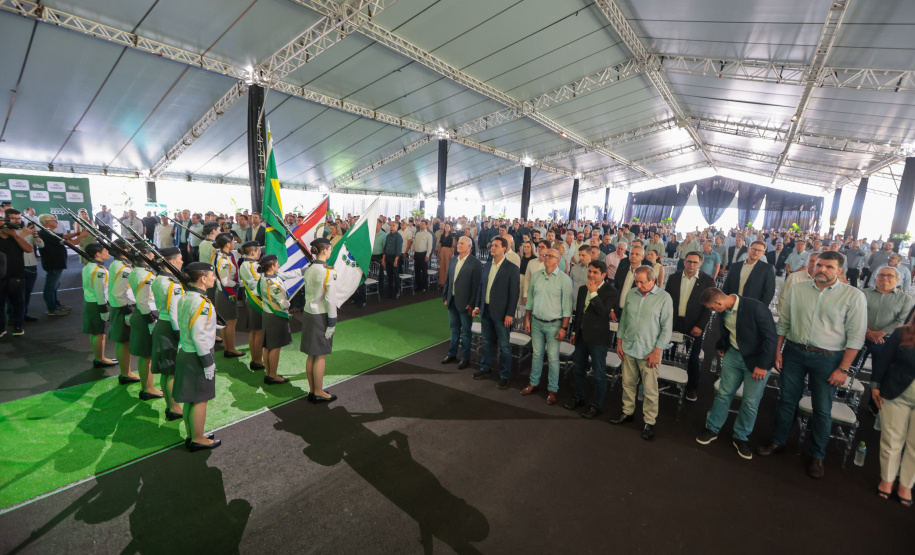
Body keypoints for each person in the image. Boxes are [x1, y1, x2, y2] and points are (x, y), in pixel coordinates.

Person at [757, 251, 867, 478]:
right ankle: (778, 441)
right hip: (795, 353)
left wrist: (843, 368)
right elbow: (784, 323)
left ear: (839, 270)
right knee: (787, 400)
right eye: (819, 265)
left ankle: (817, 455)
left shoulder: (853, 296)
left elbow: (856, 337)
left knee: (822, 408)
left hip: (828, 358)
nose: (822, 269)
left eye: (828, 267)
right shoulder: (798, 289)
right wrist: (778, 351)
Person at [696, 288, 777, 459]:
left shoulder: (756, 308)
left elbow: (771, 338)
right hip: (733, 355)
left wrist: (763, 365)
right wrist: (722, 345)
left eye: (712, 308)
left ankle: (741, 437)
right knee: (723, 393)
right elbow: (728, 331)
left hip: (756, 361)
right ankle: (712, 428)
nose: (712, 311)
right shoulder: (723, 310)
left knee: (750, 401)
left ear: (719, 302)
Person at [611, 266, 673, 440]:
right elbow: (624, 320)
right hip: (629, 347)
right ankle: (627, 412)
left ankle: (649, 422)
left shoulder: (664, 298)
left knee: (650, 390)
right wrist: (620, 341)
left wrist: (657, 351)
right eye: (636, 281)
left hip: (649, 351)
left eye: (642, 282)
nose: (638, 285)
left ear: (653, 280)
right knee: (628, 383)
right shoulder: (631, 294)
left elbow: (667, 328)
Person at [174, 262, 221, 451]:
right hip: (197, 355)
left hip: (186, 351)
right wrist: (207, 362)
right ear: (203, 278)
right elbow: (199, 335)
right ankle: (198, 438)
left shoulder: (188, 297)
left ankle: (193, 434)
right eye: (212, 275)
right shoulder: (201, 302)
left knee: (191, 399)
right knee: (200, 399)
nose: (214, 278)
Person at [564, 260, 619, 418]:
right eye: (590, 271)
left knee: (599, 374)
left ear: (603, 275)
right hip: (581, 336)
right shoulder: (582, 289)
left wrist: (594, 293)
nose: (591, 275)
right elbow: (579, 314)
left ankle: (596, 405)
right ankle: (579, 397)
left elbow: (603, 313)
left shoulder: (611, 291)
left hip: (598, 340)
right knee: (579, 369)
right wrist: (574, 333)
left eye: (595, 272)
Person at [871, 316, 915, 506]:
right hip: (896, 394)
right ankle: (887, 479)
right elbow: (883, 359)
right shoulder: (901, 332)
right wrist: (875, 385)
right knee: (891, 439)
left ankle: (906, 484)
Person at [522, 248, 574, 405]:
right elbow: (530, 299)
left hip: (554, 325)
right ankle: (534, 383)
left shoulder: (565, 280)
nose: (546, 257)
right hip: (536, 322)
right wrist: (527, 318)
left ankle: (553, 389)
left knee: (552, 358)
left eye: (551, 256)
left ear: (558, 261)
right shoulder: (537, 276)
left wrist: (564, 328)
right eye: (546, 255)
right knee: (537, 355)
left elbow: (567, 307)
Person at [665, 251, 715, 401]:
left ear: (700, 263)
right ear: (684, 261)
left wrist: (700, 326)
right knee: (669, 353)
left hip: (694, 325)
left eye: (695, 262)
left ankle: (692, 388)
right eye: (689, 261)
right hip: (674, 322)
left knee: (693, 358)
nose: (691, 265)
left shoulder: (707, 281)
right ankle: (667, 380)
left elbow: (709, 307)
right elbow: (667, 301)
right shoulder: (674, 278)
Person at [472, 237, 520, 387]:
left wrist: (510, 314)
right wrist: (478, 306)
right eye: (492, 245)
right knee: (486, 342)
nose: (492, 248)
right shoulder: (487, 265)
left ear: (504, 249)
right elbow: (481, 287)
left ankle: (505, 374)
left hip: (502, 314)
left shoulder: (512, 268)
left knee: (504, 345)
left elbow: (514, 294)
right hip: (486, 310)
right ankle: (486, 368)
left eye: (496, 246)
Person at [300, 239, 338, 402]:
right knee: (320, 355)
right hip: (321, 315)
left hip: (308, 313)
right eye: (329, 249)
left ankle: (312, 390)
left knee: (311, 355)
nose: (330, 252)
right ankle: (319, 392)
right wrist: (332, 322)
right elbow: (330, 299)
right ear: (324, 251)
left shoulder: (308, 269)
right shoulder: (329, 271)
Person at [151, 246, 185, 420]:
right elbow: (175, 312)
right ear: (171, 261)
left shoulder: (159, 278)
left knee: (167, 370)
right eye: (179, 258)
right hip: (171, 327)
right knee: (171, 370)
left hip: (163, 325)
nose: (182, 261)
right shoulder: (172, 283)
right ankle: (174, 407)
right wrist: (180, 335)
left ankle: (170, 405)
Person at [128, 242, 163, 400]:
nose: (154, 256)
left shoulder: (139, 271)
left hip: (142, 313)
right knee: (147, 355)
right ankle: (148, 389)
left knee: (146, 355)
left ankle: (147, 387)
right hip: (145, 315)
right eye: (151, 254)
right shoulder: (145, 274)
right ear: (146, 256)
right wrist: (151, 321)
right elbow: (143, 300)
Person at [257, 254, 300, 385]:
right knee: (275, 347)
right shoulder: (272, 284)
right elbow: (283, 304)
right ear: (271, 266)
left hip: (268, 313)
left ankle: (269, 373)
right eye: (276, 264)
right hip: (276, 315)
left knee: (268, 346)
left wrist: (303, 270)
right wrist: (288, 303)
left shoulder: (265, 278)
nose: (279, 265)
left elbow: (287, 274)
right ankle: (273, 375)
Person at [862, 267, 913, 375]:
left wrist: (880, 333)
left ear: (897, 280)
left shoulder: (906, 299)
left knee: (880, 374)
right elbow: (856, 314)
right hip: (861, 337)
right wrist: (869, 332)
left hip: (886, 341)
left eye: (890, 275)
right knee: (850, 370)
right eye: (881, 275)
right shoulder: (862, 293)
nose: (885, 277)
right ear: (876, 278)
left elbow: (903, 320)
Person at [442, 237, 481, 369]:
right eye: (458, 243)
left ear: (469, 247)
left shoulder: (475, 263)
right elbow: (448, 280)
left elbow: (476, 287)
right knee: (453, 330)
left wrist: (472, 303)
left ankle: (465, 357)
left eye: (462, 243)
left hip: (465, 304)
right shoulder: (453, 260)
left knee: (466, 332)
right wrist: (445, 297)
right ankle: (451, 353)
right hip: (452, 301)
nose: (458, 245)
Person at [107, 239, 141, 384]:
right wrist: (127, 312)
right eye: (129, 247)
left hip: (121, 306)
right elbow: (118, 293)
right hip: (123, 307)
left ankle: (126, 372)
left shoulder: (121, 264)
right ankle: (126, 373)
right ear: (125, 250)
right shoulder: (124, 268)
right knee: (123, 341)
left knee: (124, 341)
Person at [37, 213, 84, 316]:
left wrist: (76, 233)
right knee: (51, 286)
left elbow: (64, 236)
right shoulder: (47, 234)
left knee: (54, 285)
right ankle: (52, 308)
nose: (56, 222)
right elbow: (72, 243)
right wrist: (81, 236)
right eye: (54, 220)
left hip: (55, 263)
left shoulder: (48, 233)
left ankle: (55, 305)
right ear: (47, 222)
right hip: (53, 263)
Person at [81, 242, 118, 368]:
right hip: (97, 303)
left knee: (97, 332)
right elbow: (99, 291)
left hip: (92, 302)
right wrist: (104, 309)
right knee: (98, 333)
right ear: (98, 254)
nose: (108, 253)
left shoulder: (90, 266)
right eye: (105, 251)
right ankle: (100, 358)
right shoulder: (98, 270)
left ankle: (100, 357)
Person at [0, 209, 34, 336]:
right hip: (1, 277)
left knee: (18, 304)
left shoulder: (17, 236)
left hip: (17, 276)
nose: (17, 221)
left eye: (19, 219)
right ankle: (1, 328)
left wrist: (16, 236)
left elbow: (29, 249)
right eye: (13, 218)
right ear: (5, 219)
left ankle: (18, 327)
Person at [238, 241, 266, 370]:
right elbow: (258, 283)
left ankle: (255, 359)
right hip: (256, 299)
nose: (260, 253)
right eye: (258, 251)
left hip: (249, 298)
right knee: (259, 332)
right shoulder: (253, 265)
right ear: (253, 252)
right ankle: (257, 360)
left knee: (254, 331)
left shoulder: (244, 264)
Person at [722, 240, 775, 306]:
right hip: (732, 304)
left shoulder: (767, 269)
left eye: (760, 251)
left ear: (763, 253)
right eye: (754, 249)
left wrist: (761, 309)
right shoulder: (735, 266)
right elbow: (726, 286)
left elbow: (769, 292)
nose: (756, 252)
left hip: (752, 307)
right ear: (749, 249)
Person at [522, 240, 548, 306]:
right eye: (539, 247)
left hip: (545, 295)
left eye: (543, 247)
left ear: (548, 249)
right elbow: (527, 279)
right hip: (531, 293)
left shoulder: (549, 264)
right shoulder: (531, 262)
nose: (540, 248)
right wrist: (525, 294)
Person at [382, 221, 404, 298]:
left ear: (397, 227)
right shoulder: (388, 236)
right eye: (391, 225)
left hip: (395, 257)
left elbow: (398, 249)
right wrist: (384, 259)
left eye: (393, 225)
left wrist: (396, 260)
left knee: (396, 275)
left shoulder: (398, 236)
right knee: (389, 275)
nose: (391, 226)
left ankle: (397, 292)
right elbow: (385, 248)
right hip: (388, 257)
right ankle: (390, 292)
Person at [412, 219, 433, 292]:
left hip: (423, 254)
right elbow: (413, 243)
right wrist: (411, 253)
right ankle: (418, 285)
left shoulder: (428, 234)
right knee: (417, 270)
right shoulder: (417, 233)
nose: (421, 225)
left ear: (426, 225)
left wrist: (427, 255)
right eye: (421, 224)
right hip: (416, 254)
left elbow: (429, 246)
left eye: (423, 224)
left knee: (424, 271)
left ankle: (424, 286)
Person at [438, 222, 456, 288]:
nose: (446, 228)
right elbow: (440, 244)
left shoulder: (451, 236)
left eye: (448, 227)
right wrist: (439, 252)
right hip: (442, 250)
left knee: (448, 266)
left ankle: (448, 282)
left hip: (449, 250)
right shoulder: (442, 235)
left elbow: (453, 245)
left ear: (450, 228)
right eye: (446, 226)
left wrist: (454, 238)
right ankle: (442, 282)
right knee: (442, 266)